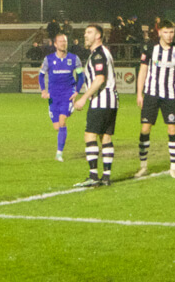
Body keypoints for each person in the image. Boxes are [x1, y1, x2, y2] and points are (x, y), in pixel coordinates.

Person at [134, 20, 175, 179]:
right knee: (145, 129)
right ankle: (143, 166)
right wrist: (139, 93)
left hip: (170, 96)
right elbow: (143, 71)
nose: (169, 35)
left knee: (172, 129)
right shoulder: (150, 48)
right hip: (151, 94)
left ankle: (173, 166)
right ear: (159, 32)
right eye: (166, 32)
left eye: (172, 32)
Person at [72, 24, 118, 187]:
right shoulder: (104, 53)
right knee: (105, 137)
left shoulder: (98, 54)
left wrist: (84, 98)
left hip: (101, 101)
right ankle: (106, 177)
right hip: (111, 101)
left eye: (89, 32)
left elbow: (99, 79)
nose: (86, 35)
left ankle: (93, 175)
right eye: (85, 32)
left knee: (89, 135)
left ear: (98, 36)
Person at [39, 32, 82, 162]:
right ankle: (68, 111)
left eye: (65, 41)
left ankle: (59, 154)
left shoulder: (74, 59)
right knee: (57, 127)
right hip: (53, 97)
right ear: (55, 44)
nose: (64, 43)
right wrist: (43, 90)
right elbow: (41, 75)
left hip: (67, 95)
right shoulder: (48, 59)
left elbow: (81, 76)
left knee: (63, 122)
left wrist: (77, 91)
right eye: (61, 41)